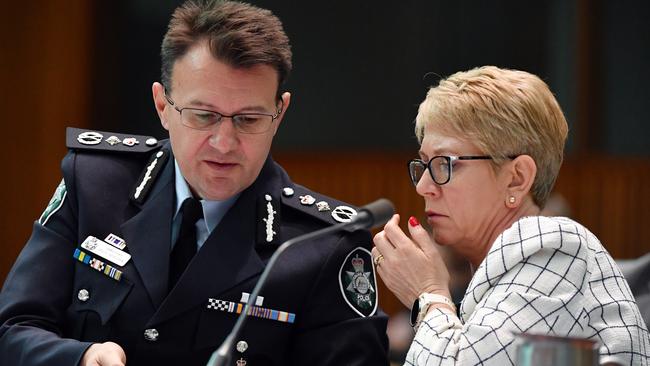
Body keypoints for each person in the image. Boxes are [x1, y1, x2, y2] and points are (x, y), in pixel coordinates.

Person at [0, 1, 389, 365]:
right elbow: (13, 329)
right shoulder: (95, 184)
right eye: (203, 116)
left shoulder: (324, 243)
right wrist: (80, 357)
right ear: (163, 106)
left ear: (279, 112)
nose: (224, 143)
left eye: (249, 119)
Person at [372, 66, 650, 365]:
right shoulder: (508, 270)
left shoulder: (555, 247)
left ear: (517, 178)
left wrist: (427, 295)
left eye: (445, 164)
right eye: (424, 165)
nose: (424, 186)